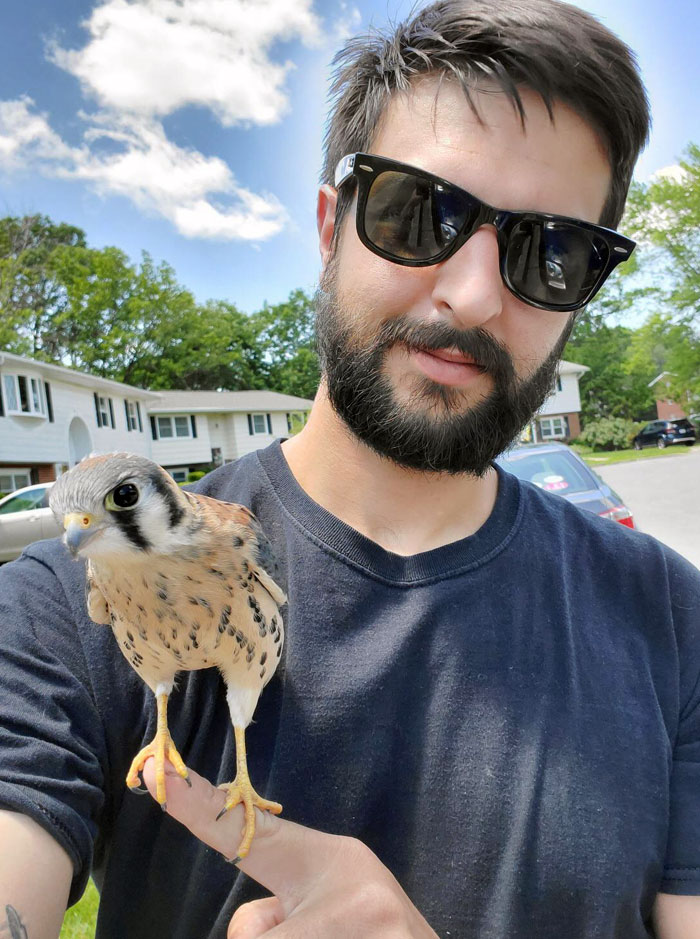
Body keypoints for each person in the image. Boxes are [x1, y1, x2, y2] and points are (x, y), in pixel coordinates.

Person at [1, 1, 699, 936]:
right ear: (332, 226)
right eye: (422, 213)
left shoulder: (672, 620)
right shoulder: (60, 606)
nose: (474, 293)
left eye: (554, 252)